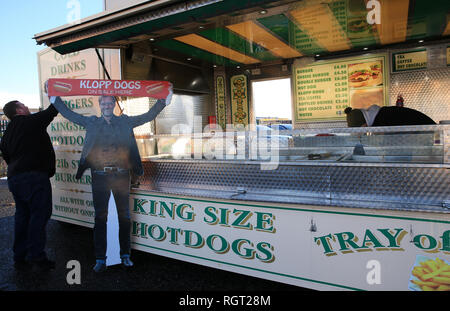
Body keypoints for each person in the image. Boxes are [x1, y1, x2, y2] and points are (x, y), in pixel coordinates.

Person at [49, 83, 173, 273]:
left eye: (109, 103)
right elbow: (69, 114)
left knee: (124, 217)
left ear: (114, 105)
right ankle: (100, 258)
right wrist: (54, 97)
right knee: (100, 218)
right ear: (100, 106)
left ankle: (125, 255)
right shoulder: (91, 122)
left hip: (122, 175)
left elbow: (147, 116)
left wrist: (163, 100)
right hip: (99, 176)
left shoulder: (125, 121)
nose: (106, 106)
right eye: (103, 104)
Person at [0, 100, 58, 270]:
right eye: (23, 105)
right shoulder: (29, 122)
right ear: (18, 110)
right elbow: (52, 111)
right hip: (34, 178)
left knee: (22, 215)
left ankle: (20, 254)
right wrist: (54, 94)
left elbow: (8, 158)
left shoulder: (7, 133)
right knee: (39, 215)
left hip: (15, 179)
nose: (26, 107)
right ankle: (37, 255)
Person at [344, 105, 436, 127]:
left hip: (431, 134)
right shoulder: (381, 113)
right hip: (430, 130)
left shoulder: (382, 119)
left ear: (363, 125)